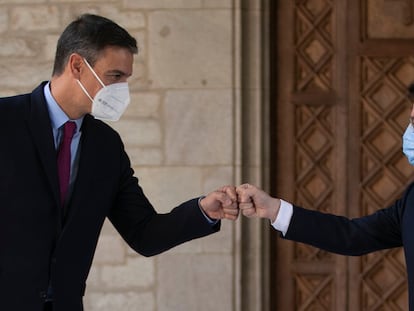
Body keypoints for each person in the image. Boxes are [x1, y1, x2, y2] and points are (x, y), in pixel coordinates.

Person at [0, 14, 239, 311]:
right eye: (115, 76)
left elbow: (144, 233)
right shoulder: (6, 122)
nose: (122, 89)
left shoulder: (106, 147)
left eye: (126, 79)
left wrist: (202, 210)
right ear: (76, 65)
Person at [236, 105, 414, 311]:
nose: (410, 132)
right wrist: (274, 209)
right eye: (411, 122)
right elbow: (352, 235)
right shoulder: (411, 199)